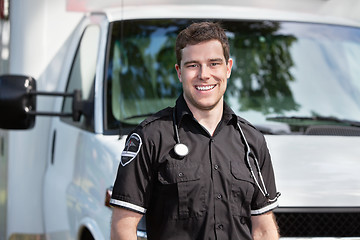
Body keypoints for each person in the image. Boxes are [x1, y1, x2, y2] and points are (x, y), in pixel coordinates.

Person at [110, 21, 280, 240]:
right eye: (193, 65)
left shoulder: (251, 141)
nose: (204, 74)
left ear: (227, 68)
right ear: (179, 72)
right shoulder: (151, 137)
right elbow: (122, 229)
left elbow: (264, 230)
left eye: (213, 64)